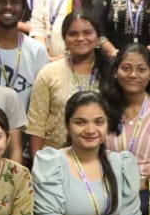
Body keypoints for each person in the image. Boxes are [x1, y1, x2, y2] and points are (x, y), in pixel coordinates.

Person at [103, 44, 150, 203]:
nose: (133, 75)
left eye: (141, 69)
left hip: (148, 188)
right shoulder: (102, 108)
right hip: (106, 185)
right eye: (126, 68)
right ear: (116, 71)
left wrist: (144, 183)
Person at [27, 12, 103, 153]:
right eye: (73, 34)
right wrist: (38, 161)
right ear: (64, 38)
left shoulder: (110, 73)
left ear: (98, 38)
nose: (80, 38)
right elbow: (36, 126)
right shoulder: (49, 73)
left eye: (87, 33)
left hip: (99, 158)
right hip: (55, 158)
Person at [0, 0, 48, 115]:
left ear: (23, 10)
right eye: (1, 1)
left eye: (15, 2)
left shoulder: (37, 50)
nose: (8, 7)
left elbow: (43, 99)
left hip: (25, 125)